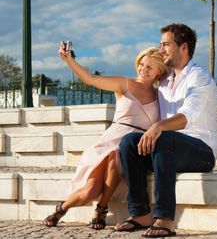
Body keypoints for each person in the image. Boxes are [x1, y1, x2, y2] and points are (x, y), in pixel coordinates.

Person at [43, 42, 169, 230]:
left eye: (149, 67)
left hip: (134, 147)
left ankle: (101, 208)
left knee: (117, 155)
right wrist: (69, 60)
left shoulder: (162, 96)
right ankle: (62, 208)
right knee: (89, 191)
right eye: (141, 65)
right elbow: (90, 79)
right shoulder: (124, 83)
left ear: (160, 71)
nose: (143, 70)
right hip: (111, 139)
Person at [114, 23, 217, 238]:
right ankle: (140, 213)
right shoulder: (164, 80)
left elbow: (186, 117)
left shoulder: (198, 77)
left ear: (184, 47)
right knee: (129, 143)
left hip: (201, 151)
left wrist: (158, 127)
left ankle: (165, 219)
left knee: (164, 139)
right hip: (168, 149)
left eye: (166, 45)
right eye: (160, 44)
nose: (160, 49)